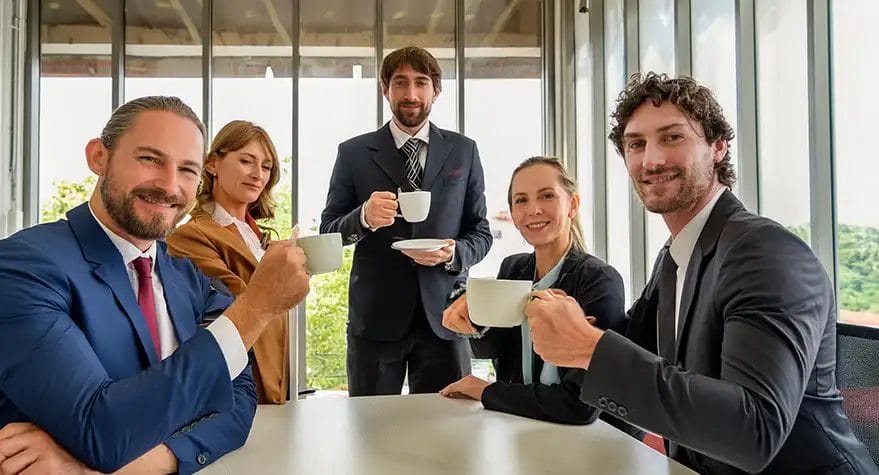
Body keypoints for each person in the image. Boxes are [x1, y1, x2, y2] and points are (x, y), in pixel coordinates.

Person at [524, 73, 878, 474]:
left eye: (672, 137)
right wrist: (551, 312)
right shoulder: (676, 257)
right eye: (636, 145)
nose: (651, 160)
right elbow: (631, 352)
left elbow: (754, 430)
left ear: (718, 147)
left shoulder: (764, 252)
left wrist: (588, 347)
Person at [0, 97, 310, 474]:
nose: (169, 185)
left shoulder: (188, 278)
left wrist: (101, 469)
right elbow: (104, 430)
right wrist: (257, 306)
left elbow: (238, 400)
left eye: (187, 170)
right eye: (150, 159)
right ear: (99, 157)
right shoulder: (21, 266)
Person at [320, 46, 492, 396]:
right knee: (371, 431)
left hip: (447, 318)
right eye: (400, 83)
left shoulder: (464, 151)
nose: (410, 94)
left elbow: (481, 232)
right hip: (376, 321)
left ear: (436, 91)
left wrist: (454, 252)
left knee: (446, 435)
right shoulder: (353, 153)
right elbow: (329, 232)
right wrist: (363, 218)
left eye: (421, 83)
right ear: (386, 89)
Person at [440, 157, 638, 433]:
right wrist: (473, 312)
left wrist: (485, 390)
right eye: (521, 200)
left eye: (547, 196)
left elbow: (579, 406)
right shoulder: (514, 267)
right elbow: (489, 348)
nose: (533, 209)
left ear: (573, 205)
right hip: (524, 428)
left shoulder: (599, 281)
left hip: (594, 442)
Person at [167, 120, 289, 404]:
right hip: (239, 383)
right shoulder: (191, 236)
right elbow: (241, 303)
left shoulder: (258, 236)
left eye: (266, 167)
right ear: (212, 164)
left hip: (278, 380)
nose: (257, 174)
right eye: (246, 161)